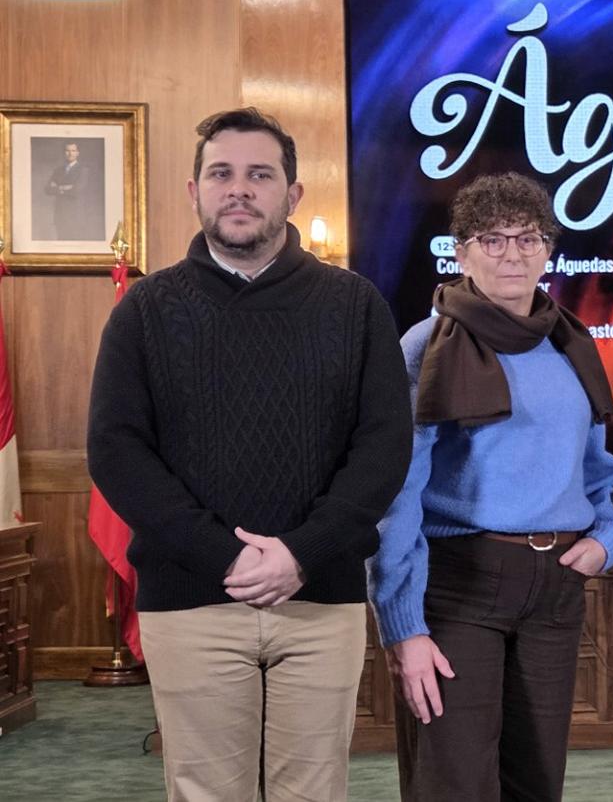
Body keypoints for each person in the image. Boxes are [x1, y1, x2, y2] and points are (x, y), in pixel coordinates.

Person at [86, 107, 412, 802]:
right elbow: (117, 453)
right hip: (191, 599)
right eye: (221, 174)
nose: (239, 189)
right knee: (206, 792)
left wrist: (301, 553)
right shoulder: (144, 311)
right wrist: (227, 557)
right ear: (194, 191)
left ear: (292, 196)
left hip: (320, 596)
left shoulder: (354, 305)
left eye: (259, 175)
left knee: (313, 792)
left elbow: (384, 447)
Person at [367, 172, 613, 801]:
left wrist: (608, 539)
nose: (513, 253)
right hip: (461, 581)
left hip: (557, 585)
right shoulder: (426, 344)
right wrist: (402, 624)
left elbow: (595, 468)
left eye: (529, 237)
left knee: (536, 782)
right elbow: (397, 488)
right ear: (460, 252)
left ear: (548, 249)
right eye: (491, 239)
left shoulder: (572, 341)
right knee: (455, 781)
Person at [39, 140, 101, 240]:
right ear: (64, 153)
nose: (70, 153)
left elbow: (76, 191)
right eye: (67, 150)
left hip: (75, 215)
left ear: (78, 153)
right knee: (61, 246)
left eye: (73, 150)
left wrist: (57, 187)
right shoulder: (58, 170)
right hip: (60, 214)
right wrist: (64, 187)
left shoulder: (83, 170)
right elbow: (47, 189)